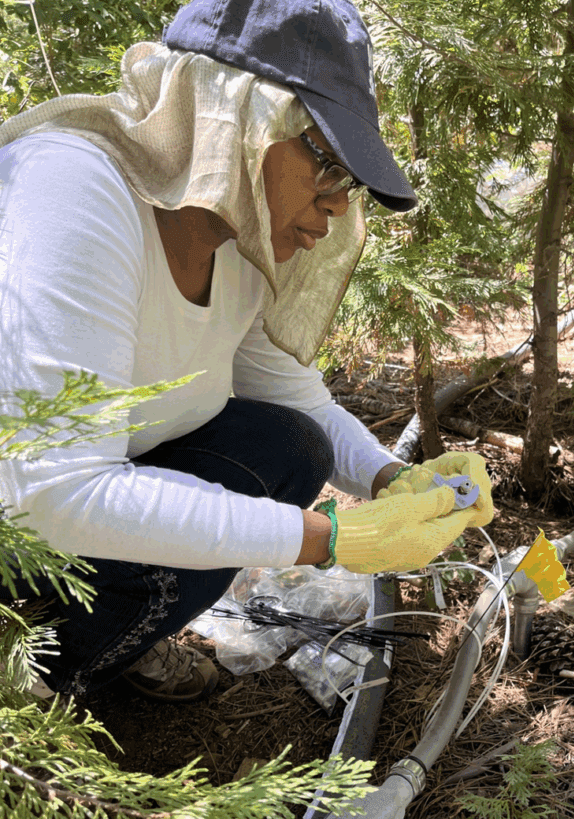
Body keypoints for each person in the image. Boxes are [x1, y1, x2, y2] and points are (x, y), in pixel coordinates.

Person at [0, 0, 493, 702]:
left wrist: (390, 480)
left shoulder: (235, 240)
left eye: (347, 186)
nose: (335, 209)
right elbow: (51, 490)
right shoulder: (76, 191)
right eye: (327, 166)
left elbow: (296, 400)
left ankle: (106, 633)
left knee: (289, 446)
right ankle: (32, 680)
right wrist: (326, 540)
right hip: (20, 519)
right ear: (234, 116)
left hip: (63, 511)